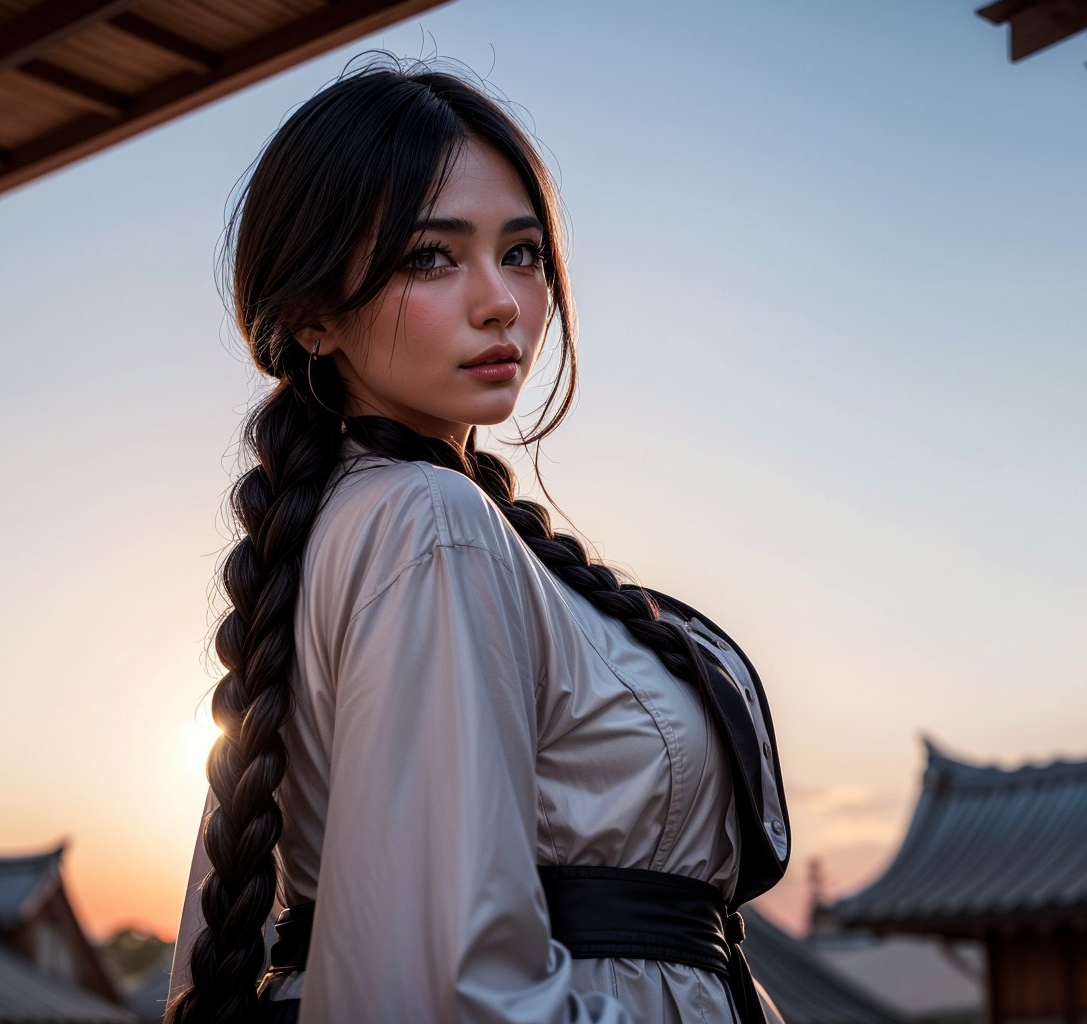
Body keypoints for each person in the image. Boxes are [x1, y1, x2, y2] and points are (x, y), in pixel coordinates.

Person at [163, 55, 790, 1024]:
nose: (501, 299)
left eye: (524, 253)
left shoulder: (356, 532)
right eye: (431, 256)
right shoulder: (432, 522)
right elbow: (445, 992)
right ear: (310, 314)